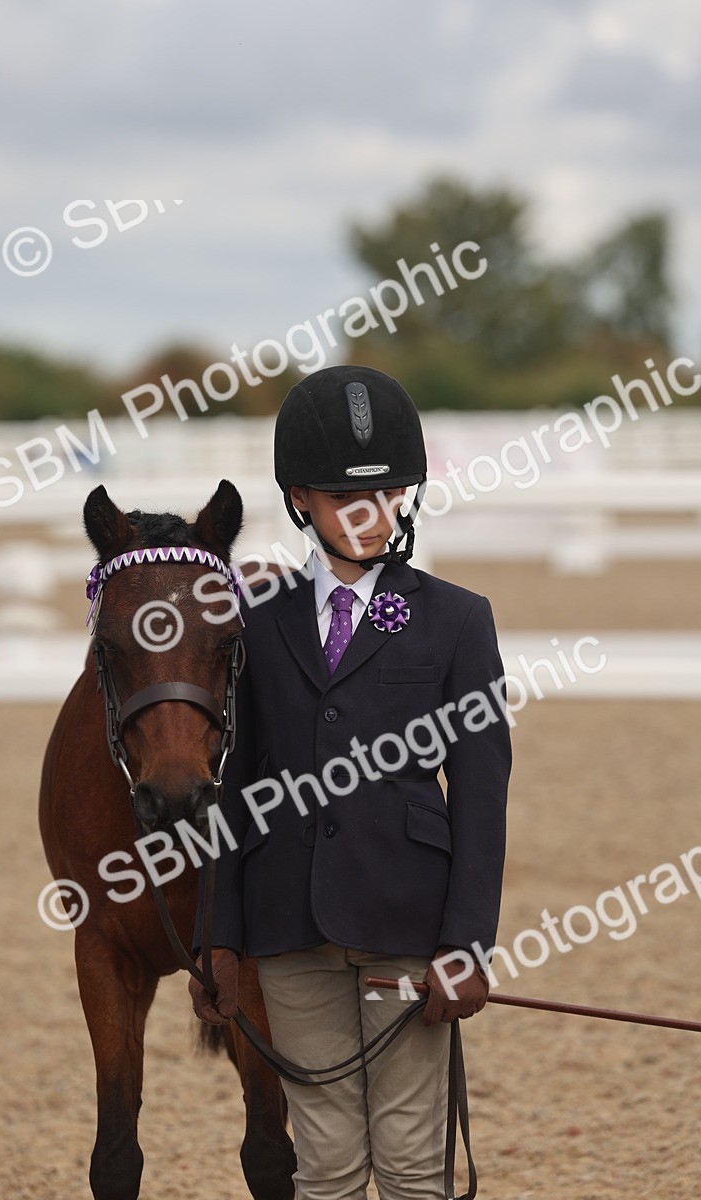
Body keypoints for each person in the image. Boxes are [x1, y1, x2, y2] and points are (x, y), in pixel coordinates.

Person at [189, 365, 512, 1200]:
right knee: (325, 1163)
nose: (369, 517)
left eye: (387, 496)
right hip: (288, 929)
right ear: (300, 499)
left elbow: (480, 791)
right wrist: (220, 937)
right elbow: (235, 789)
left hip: (407, 923)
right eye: (343, 499)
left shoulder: (456, 619)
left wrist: (468, 942)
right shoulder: (258, 623)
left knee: (409, 1159)